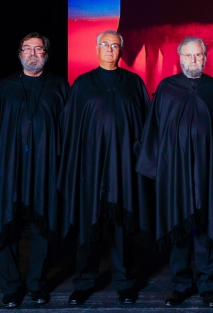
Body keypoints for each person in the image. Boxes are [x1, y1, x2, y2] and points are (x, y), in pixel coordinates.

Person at [0, 32, 68, 308]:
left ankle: (36, 285)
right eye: (28, 49)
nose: (33, 54)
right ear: (20, 54)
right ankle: (11, 288)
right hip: (8, 172)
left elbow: (69, 133)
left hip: (46, 171)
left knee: (43, 229)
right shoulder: (4, 88)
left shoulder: (59, 88)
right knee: (5, 228)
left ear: (46, 54)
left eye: (39, 49)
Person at [136, 36, 213, 308]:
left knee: (206, 228)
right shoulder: (166, 89)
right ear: (180, 58)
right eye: (188, 55)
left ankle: (206, 285)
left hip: (208, 171)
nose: (194, 60)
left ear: (206, 57)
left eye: (198, 55)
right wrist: (158, 170)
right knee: (178, 229)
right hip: (175, 173)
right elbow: (154, 132)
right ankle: (180, 285)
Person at [58, 30, 153, 306]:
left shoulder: (133, 83)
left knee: (123, 227)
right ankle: (84, 282)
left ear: (121, 51)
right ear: (96, 49)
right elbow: (69, 127)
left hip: (124, 167)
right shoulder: (83, 84)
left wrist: (138, 158)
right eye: (105, 44)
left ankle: (123, 282)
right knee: (89, 226)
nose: (110, 49)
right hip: (90, 168)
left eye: (115, 45)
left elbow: (146, 126)